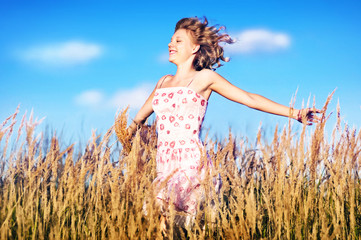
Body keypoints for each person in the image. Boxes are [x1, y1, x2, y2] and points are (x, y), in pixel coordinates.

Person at [126, 17, 321, 231]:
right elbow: (139, 118)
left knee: (168, 219)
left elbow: (249, 98)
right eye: (171, 41)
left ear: (194, 48)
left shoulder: (205, 78)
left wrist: (295, 113)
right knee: (164, 227)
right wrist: (127, 135)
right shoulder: (163, 82)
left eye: (178, 41)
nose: (171, 45)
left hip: (190, 163)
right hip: (164, 165)